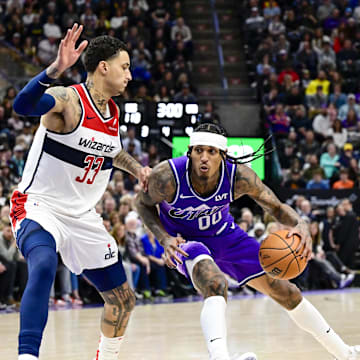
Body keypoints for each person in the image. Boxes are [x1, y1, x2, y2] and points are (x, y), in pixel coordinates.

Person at [136, 122, 360, 360]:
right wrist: (164, 238)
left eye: (211, 152)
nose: (204, 157)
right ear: (189, 152)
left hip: (227, 236)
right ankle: (220, 357)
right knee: (214, 283)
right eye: (198, 150)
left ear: (223, 156)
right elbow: (142, 204)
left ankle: (344, 353)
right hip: (185, 242)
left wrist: (299, 223)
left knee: (288, 292)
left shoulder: (239, 176)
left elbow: (275, 206)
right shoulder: (167, 176)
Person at [10, 24, 151, 360]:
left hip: (83, 217)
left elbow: (111, 151)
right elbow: (23, 105)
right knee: (43, 264)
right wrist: (55, 70)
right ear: (104, 66)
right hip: (39, 206)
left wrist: (137, 169)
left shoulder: (113, 113)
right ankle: (27, 355)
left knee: (123, 300)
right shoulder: (69, 100)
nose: (130, 75)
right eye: (125, 67)